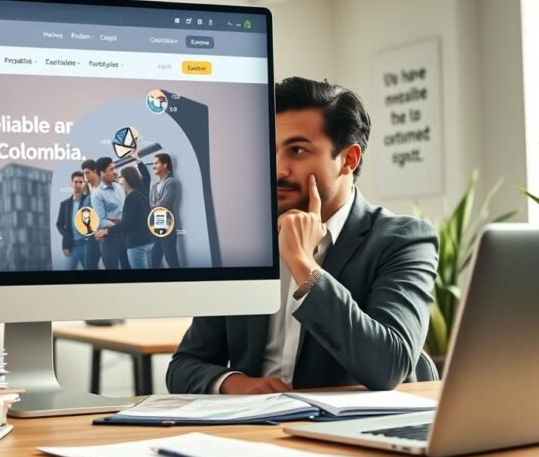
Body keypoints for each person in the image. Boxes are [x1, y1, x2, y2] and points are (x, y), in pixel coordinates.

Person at [166, 77, 439, 394]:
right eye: (270, 150)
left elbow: (388, 365)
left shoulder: (403, 240)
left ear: (349, 159)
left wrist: (303, 266)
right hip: (258, 420)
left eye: (297, 150)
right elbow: (184, 366)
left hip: (353, 422)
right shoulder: (243, 242)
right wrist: (235, 384)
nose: (278, 168)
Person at [96, 164, 154, 268]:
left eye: (120, 177)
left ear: (127, 178)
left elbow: (126, 224)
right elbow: (135, 219)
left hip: (137, 245)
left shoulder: (131, 198)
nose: (119, 181)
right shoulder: (141, 195)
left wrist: (106, 231)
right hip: (148, 242)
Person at [88, 157, 126, 269]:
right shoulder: (97, 194)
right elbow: (101, 220)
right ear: (102, 172)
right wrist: (121, 225)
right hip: (110, 241)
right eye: (111, 169)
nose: (115, 171)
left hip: (126, 238)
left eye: (114, 168)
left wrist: (123, 223)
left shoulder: (119, 187)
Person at [148, 152, 180, 268]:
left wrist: (156, 207)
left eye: (156, 163)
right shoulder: (154, 186)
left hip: (168, 227)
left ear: (165, 165)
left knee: (171, 259)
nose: (153, 166)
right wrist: (156, 207)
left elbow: (164, 205)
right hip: (156, 227)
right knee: (154, 259)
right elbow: (151, 205)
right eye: (153, 164)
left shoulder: (171, 182)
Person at [55, 171, 89, 270]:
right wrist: (66, 239)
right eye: (75, 182)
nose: (78, 184)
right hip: (71, 247)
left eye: (80, 182)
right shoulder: (65, 204)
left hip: (86, 246)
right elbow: (59, 224)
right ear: (71, 184)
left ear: (84, 184)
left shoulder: (89, 201)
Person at [80, 159, 102, 270]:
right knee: (89, 265)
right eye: (84, 173)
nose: (85, 176)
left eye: (87, 172)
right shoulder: (87, 195)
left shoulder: (104, 189)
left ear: (95, 171)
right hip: (91, 236)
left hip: (105, 234)